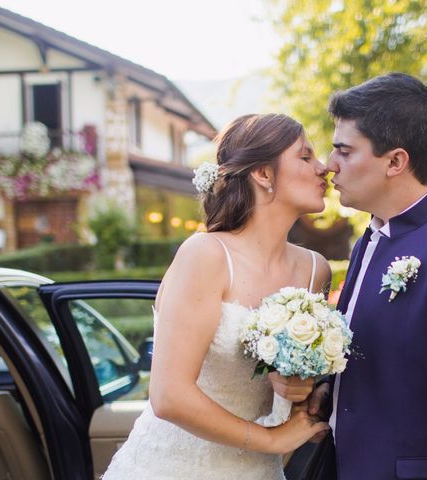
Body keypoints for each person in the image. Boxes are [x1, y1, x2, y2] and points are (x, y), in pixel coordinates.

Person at [272, 73, 427, 480]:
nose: (330, 165)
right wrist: (329, 392)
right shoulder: (370, 238)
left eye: (344, 151)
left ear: (395, 161)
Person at [102, 113, 330, 479]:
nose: (324, 168)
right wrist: (271, 440)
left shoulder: (315, 270)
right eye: (306, 157)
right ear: (264, 174)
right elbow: (169, 395)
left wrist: (301, 388)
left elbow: (297, 383)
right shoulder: (206, 255)